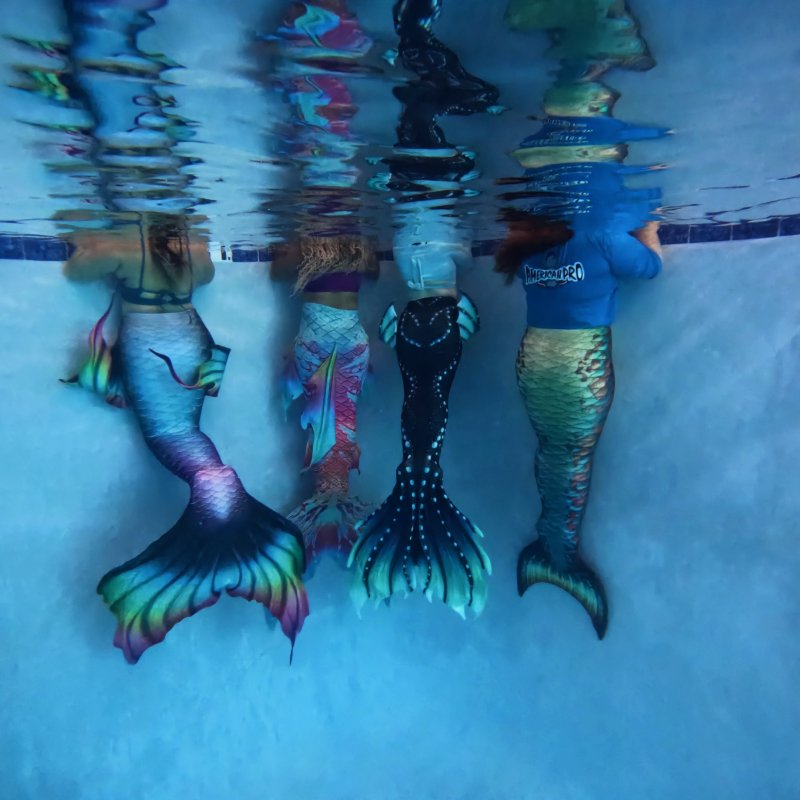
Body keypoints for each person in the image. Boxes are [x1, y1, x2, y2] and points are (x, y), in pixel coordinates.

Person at [63, 215, 308, 663]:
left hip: (152, 346)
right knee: (185, 430)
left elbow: (77, 270)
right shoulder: (193, 249)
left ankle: (215, 499)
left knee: (169, 434)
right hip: (189, 339)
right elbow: (207, 272)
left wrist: (92, 235)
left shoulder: (121, 247)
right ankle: (221, 501)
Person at [495, 211, 662, 637]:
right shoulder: (602, 234)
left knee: (552, 449)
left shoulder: (527, 241)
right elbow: (649, 267)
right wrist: (648, 228)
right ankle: (557, 555)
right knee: (571, 455)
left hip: (535, 357)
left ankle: (553, 547)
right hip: (579, 363)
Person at [270, 234, 377, 569]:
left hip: (317, 339)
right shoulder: (359, 241)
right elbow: (373, 271)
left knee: (321, 422)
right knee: (343, 423)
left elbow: (276, 271)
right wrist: (347, 252)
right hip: (350, 340)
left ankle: (326, 515)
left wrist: (304, 251)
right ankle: (334, 512)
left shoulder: (305, 243)